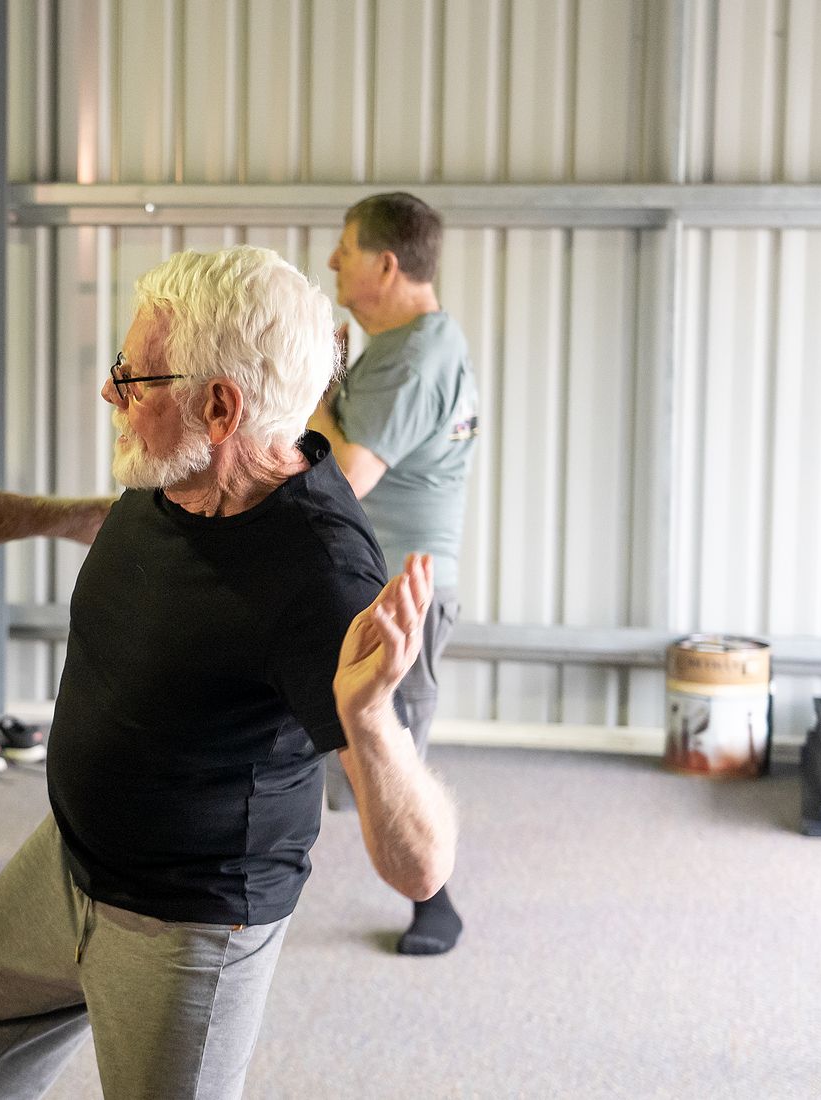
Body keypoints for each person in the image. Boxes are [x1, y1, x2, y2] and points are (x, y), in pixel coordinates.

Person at [0, 246, 457, 1099]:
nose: (110, 393)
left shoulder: (323, 578)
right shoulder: (180, 474)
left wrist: (369, 723)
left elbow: (422, 869)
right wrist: (24, 517)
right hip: (68, 861)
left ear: (221, 408)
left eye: (132, 379)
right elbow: (156, 532)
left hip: (189, 926)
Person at [307, 191, 481, 956]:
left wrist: (315, 393)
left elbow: (346, 473)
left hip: (397, 591)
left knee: (390, 748)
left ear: (385, 262)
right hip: (380, 580)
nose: (332, 261)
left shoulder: (414, 356)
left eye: (345, 247)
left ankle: (435, 900)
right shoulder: (412, 346)